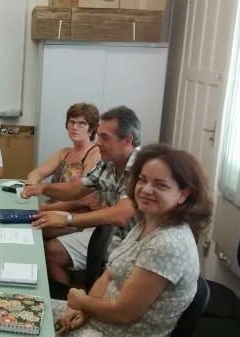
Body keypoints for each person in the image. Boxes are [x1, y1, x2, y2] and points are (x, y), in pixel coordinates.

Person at [52, 144, 213, 337]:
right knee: (12, 310)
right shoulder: (145, 223)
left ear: (183, 194)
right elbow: (108, 275)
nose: (146, 189)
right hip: (96, 321)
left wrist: (82, 301)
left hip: (111, 332)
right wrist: (83, 310)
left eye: (160, 185)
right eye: (142, 180)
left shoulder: (168, 243)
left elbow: (123, 313)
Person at [22, 106, 143, 285]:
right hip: (111, 233)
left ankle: (68, 304)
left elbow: (120, 215)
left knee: (52, 250)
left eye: (105, 137)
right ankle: (67, 302)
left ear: (127, 140)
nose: (99, 142)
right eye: (99, 135)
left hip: (134, 242)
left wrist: (67, 219)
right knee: (50, 248)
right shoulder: (107, 163)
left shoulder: (141, 168)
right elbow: (77, 189)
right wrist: (42, 188)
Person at [25, 103, 102, 239]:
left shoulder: (94, 155)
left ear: (92, 129)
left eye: (82, 123)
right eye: (71, 122)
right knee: (24, 220)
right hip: (53, 208)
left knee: (34, 227)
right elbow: (38, 172)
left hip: (79, 215)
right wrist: (32, 182)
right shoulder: (64, 152)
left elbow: (84, 199)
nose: (74, 127)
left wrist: (46, 208)